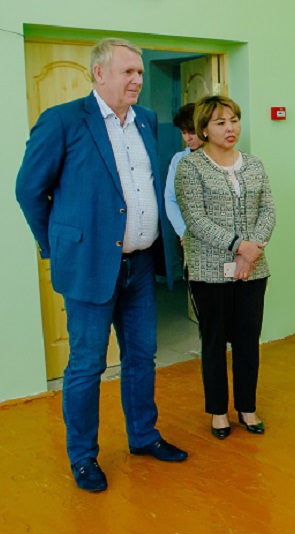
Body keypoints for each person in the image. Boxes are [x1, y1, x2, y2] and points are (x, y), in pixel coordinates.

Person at [15, 38, 188, 492]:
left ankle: (144, 436)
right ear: (99, 73)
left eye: (140, 72)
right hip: (90, 266)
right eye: (128, 71)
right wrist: (57, 245)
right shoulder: (63, 121)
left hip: (141, 266)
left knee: (141, 357)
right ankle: (83, 457)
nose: (137, 80)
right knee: (87, 364)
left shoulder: (145, 120)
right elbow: (28, 190)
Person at [175, 95, 276, 439]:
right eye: (220, 123)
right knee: (214, 341)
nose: (230, 128)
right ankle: (218, 412)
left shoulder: (254, 164)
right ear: (204, 129)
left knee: (248, 340)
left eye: (234, 120)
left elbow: (268, 211)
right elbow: (195, 218)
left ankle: (247, 408)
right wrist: (239, 246)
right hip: (208, 269)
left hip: (253, 269)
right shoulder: (190, 167)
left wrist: (250, 252)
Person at [164, 103, 203, 242]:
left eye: (191, 132)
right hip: (189, 235)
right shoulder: (178, 159)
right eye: (183, 132)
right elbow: (170, 198)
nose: (187, 138)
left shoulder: (221, 156)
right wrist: (184, 231)